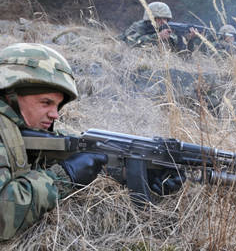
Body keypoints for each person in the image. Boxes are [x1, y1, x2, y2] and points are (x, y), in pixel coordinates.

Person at [0, 43, 183, 240]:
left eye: (57, 105)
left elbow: (82, 156)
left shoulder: (24, 131)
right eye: (46, 102)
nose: (55, 114)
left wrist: (138, 170)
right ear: (10, 95)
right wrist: (63, 177)